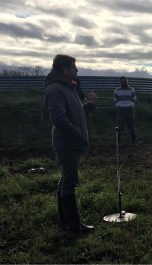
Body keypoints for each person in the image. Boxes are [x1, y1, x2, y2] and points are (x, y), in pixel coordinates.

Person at [44, 54, 97, 234]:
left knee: (65, 179)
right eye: (74, 66)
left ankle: (65, 220)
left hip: (71, 141)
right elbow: (58, 118)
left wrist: (88, 106)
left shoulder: (68, 87)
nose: (77, 69)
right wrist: (76, 133)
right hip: (67, 142)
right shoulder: (56, 88)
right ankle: (74, 225)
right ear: (64, 69)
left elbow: (75, 113)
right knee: (70, 181)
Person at [114, 76, 138, 146]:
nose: (123, 83)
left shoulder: (131, 90)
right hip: (121, 110)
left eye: (124, 81)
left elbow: (134, 98)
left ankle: (134, 141)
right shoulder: (117, 90)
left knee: (131, 126)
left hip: (129, 110)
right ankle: (118, 142)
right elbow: (115, 99)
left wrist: (131, 105)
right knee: (120, 126)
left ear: (126, 81)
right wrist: (118, 105)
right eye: (121, 81)